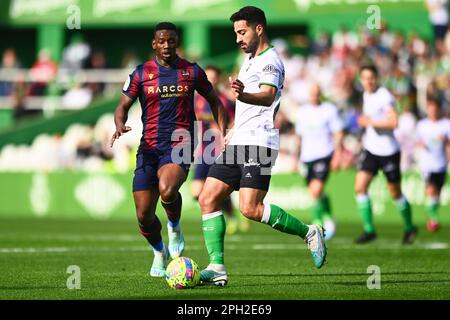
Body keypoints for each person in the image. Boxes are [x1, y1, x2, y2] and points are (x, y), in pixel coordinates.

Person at [197, 6, 327, 287]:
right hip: (240, 139)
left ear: (258, 29)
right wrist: (233, 129)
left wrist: (244, 94)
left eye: (242, 32)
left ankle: (309, 232)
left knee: (250, 209)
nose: (237, 39)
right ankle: (217, 267)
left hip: (260, 143)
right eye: (235, 34)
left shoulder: (271, 61)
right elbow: (245, 105)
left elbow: (267, 97)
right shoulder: (249, 60)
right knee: (207, 198)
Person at [110, 22, 227, 277]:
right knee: (143, 215)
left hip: (181, 141)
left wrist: (224, 131)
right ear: (154, 43)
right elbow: (122, 107)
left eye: (171, 41)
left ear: (177, 42)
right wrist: (120, 124)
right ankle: (159, 251)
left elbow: (215, 101)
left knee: (167, 188)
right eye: (161, 41)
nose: (166, 46)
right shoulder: (141, 74)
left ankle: (174, 225)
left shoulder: (191, 71)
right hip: (149, 147)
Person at [354, 65, 417, 245]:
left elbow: (393, 122)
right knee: (360, 187)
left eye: (372, 77)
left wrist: (370, 122)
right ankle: (369, 230)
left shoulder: (384, 96)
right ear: (361, 80)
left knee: (395, 192)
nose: (369, 81)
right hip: (371, 151)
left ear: (377, 78)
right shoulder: (366, 95)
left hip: (389, 151)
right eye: (365, 78)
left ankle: (409, 227)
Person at [192, 65, 246, 235]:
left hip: (220, 152)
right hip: (204, 151)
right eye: (208, 77)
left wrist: (227, 135)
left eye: (214, 77)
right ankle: (227, 213)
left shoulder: (225, 101)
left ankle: (229, 218)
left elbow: (233, 123)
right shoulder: (197, 100)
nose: (211, 80)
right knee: (196, 192)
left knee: (216, 189)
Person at [294, 83, 344, 241]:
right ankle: (328, 217)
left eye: (316, 93)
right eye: (312, 93)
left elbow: (338, 132)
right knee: (314, 193)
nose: (314, 96)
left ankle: (316, 226)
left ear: (320, 93)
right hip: (306, 157)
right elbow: (299, 137)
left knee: (315, 190)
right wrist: (296, 157)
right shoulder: (302, 112)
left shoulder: (329, 109)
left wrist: (337, 154)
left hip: (324, 154)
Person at [415, 98, 450, 232]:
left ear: (439, 109)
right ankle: (434, 220)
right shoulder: (422, 125)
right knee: (430, 190)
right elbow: (416, 141)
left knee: (436, 194)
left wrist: (445, 141)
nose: (433, 111)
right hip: (426, 164)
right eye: (430, 108)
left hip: (440, 163)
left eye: (435, 108)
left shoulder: (446, 124)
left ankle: (431, 218)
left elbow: (448, 145)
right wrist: (421, 144)